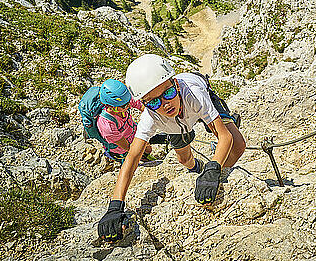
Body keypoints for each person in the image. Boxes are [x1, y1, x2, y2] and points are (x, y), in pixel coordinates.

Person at [98, 54, 246, 242]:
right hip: (174, 124)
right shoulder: (151, 117)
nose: (165, 104)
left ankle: (216, 165)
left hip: (196, 101)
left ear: (176, 85)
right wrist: (115, 206)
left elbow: (225, 136)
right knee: (184, 160)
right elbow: (132, 158)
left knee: (237, 144)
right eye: (153, 101)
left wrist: (214, 169)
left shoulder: (194, 93)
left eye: (167, 93)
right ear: (144, 104)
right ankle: (198, 168)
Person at [96, 79, 154, 164]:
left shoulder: (123, 101)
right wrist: (139, 150)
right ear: (110, 106)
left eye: (128, 103)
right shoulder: (107, 125)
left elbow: (140, 105)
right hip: (122, 148)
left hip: (132, 133)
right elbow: (126, 146)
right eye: (124, 106)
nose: (128, 106)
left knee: (148, 150)